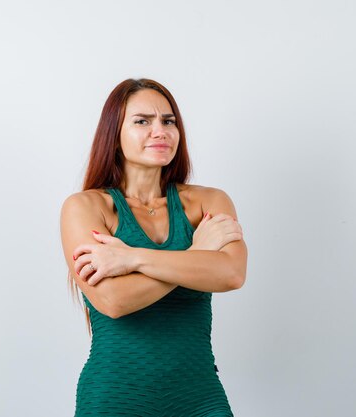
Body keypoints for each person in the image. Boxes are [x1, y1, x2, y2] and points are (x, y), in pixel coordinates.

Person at [59, 78, 248, 416]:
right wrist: (194, 256)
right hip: (115, 396)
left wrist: (131, 257)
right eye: (142, 121)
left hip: (199, 397)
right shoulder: (86, 207)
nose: (160, 131)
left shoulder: (208, 201)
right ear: (114, 133)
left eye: (168, 121)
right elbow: (114, 301)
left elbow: (231, 273)